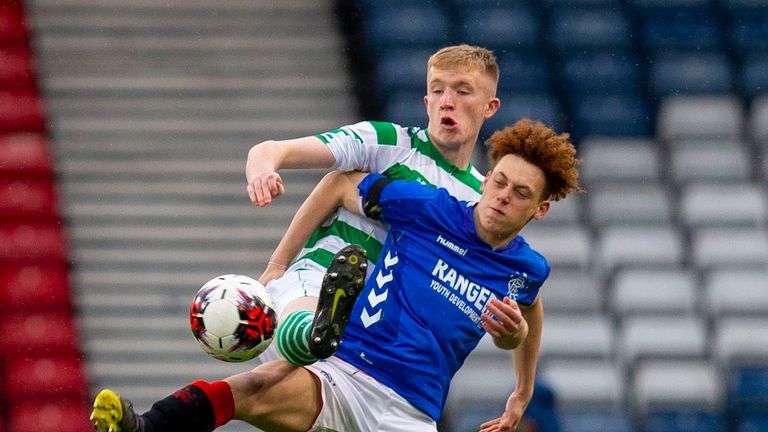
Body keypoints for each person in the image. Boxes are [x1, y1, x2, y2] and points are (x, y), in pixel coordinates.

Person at [91, 118, 582, 432]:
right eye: (498, 181)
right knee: (252, 389)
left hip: (408, 412)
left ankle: (310, 331)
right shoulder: (428, 207)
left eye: (519, 193)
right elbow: (343, 182)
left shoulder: (526, 267)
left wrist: (520, 383)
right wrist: (280, 263)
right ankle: (144, 427)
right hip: (343, 374)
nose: (501, 195)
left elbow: (528, 307)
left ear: (539, 209)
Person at [244, 43, 501, 365]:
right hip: (316, 279)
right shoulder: (388, 142)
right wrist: (262, 174)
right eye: (437, 91)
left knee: (268, 397)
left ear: (490, 107)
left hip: (376, 327)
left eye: (463, 92)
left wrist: (513, 336)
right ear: (426, 101)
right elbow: (271, 150)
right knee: (306, 326)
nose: (446, 102)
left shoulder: (479, 198)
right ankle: (312, 331)